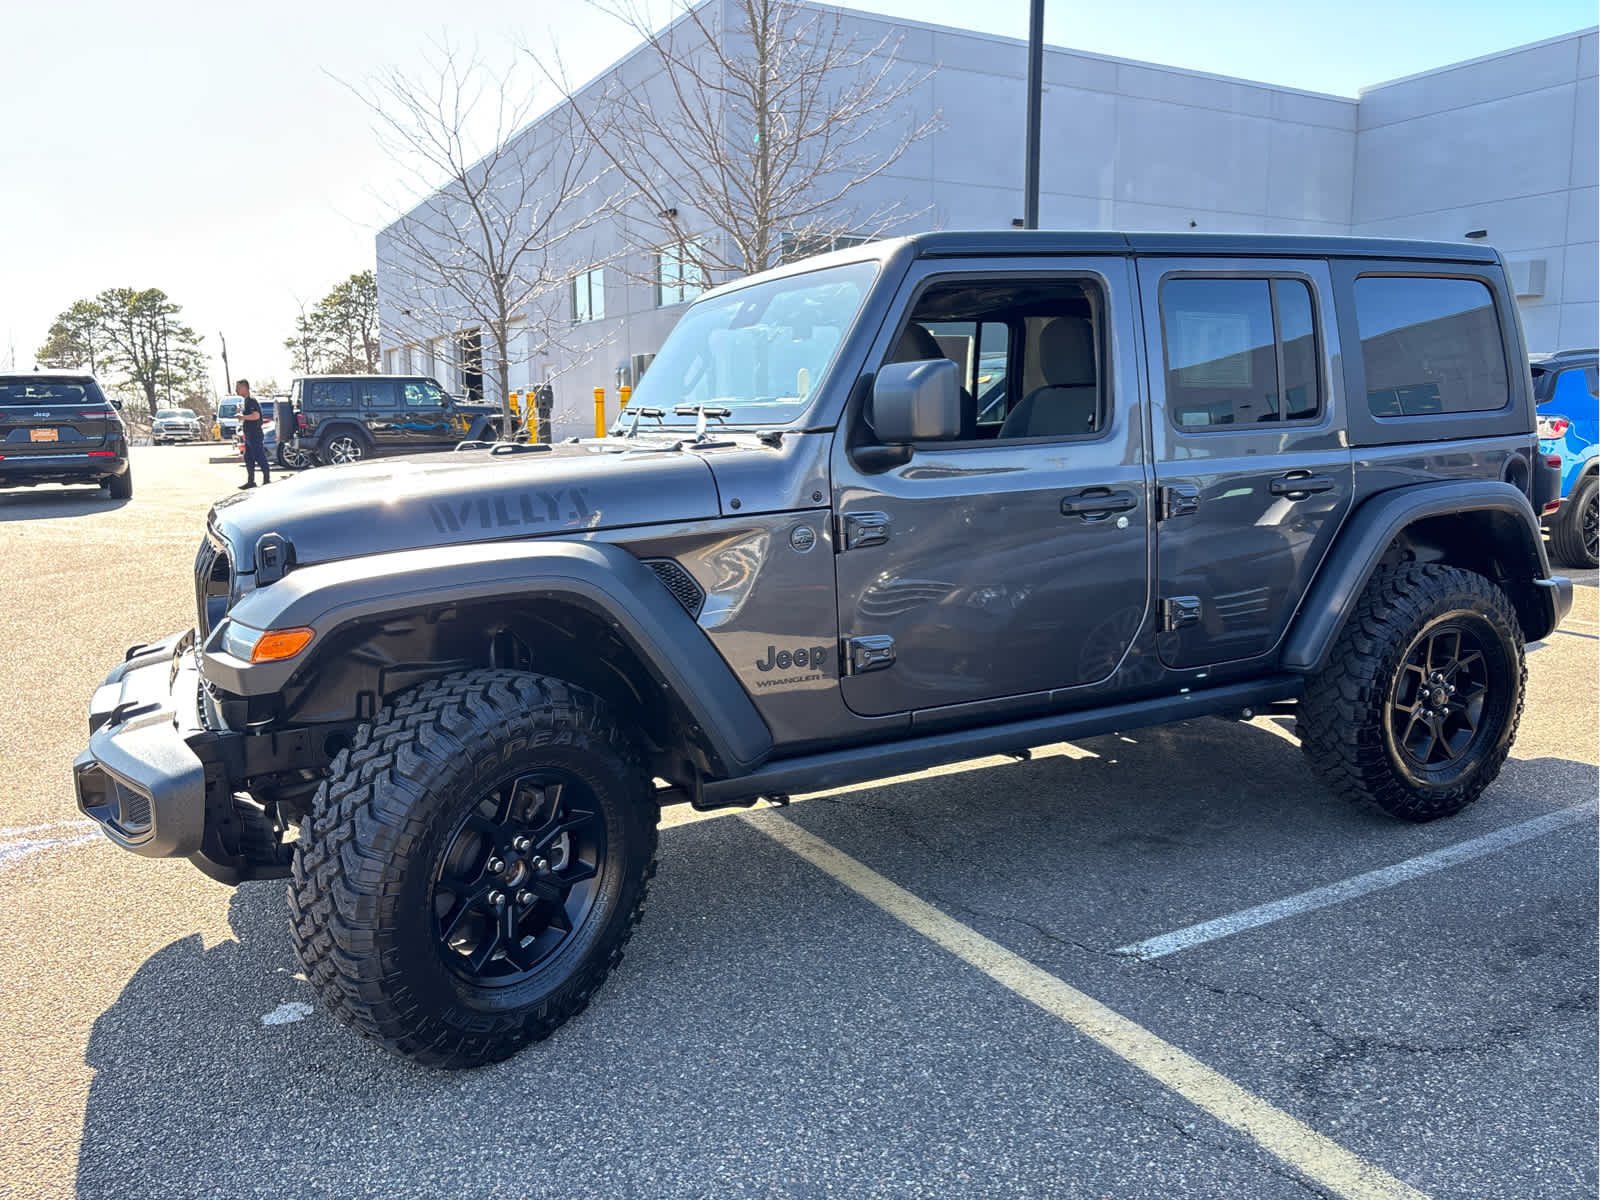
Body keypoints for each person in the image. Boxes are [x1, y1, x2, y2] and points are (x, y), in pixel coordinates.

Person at [237, 379, 270, 488]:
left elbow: (256, 416)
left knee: (259, 456)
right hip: (249, 435)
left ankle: (267, 480)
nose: (237, 390)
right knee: (248, 457)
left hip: (255, 434)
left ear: (245, 388)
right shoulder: (245, 401)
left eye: (239, 387)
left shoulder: (252, 401)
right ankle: (251, 481)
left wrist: (243, 417)